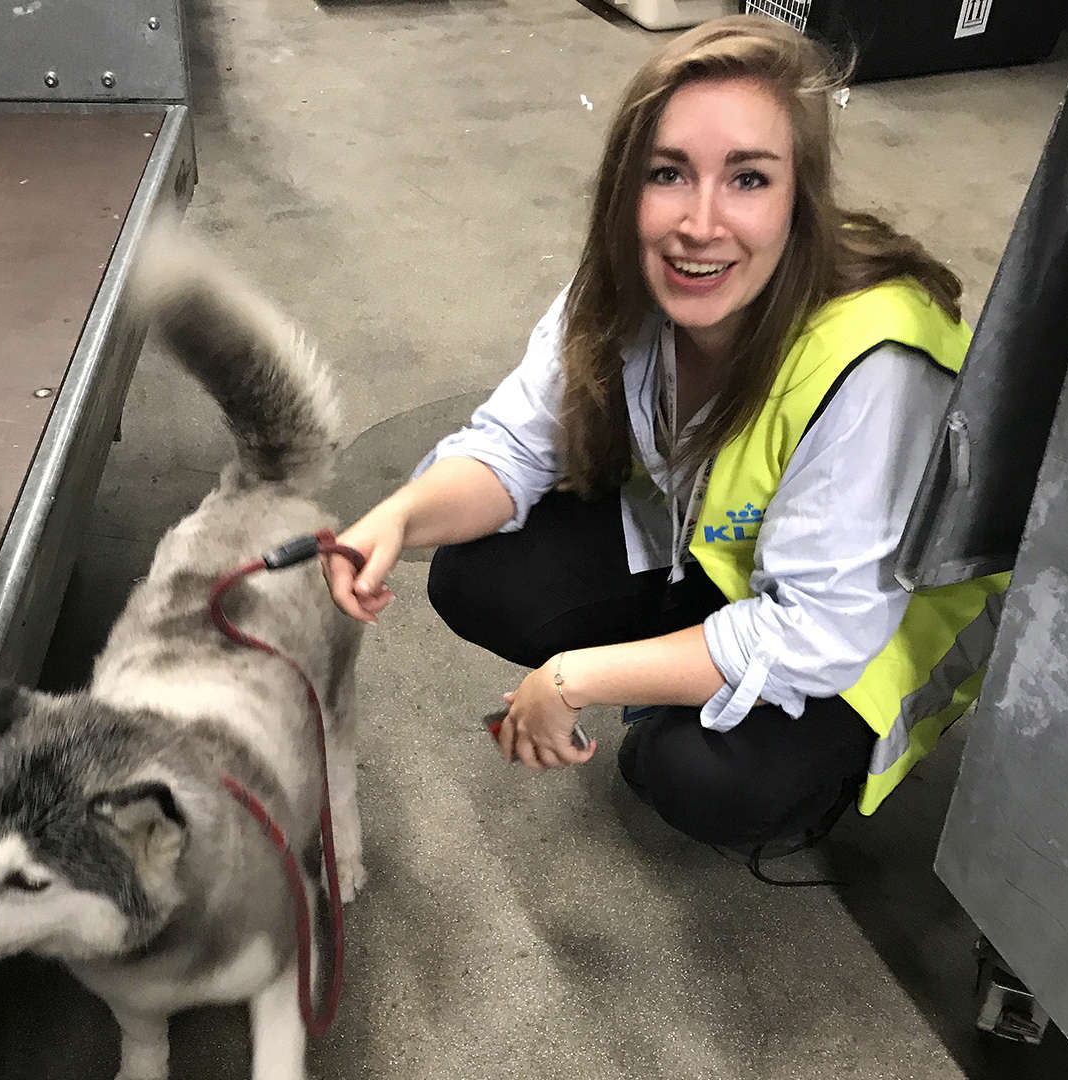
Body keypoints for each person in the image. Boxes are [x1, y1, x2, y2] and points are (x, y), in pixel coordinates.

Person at [321, 15, 1009, 861]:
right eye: (668, 174)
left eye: (748, 178)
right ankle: (689, 668)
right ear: (626, 187)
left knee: (700, 777)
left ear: (801, 197)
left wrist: (578, 677)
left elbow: (818, 635)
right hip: (728, 557)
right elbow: (514, 446)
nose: (700, 224)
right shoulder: (628, 279)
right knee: (477, 576)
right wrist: (393, 519)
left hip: (868, 627)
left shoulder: (875, 361)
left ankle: (799, 769)